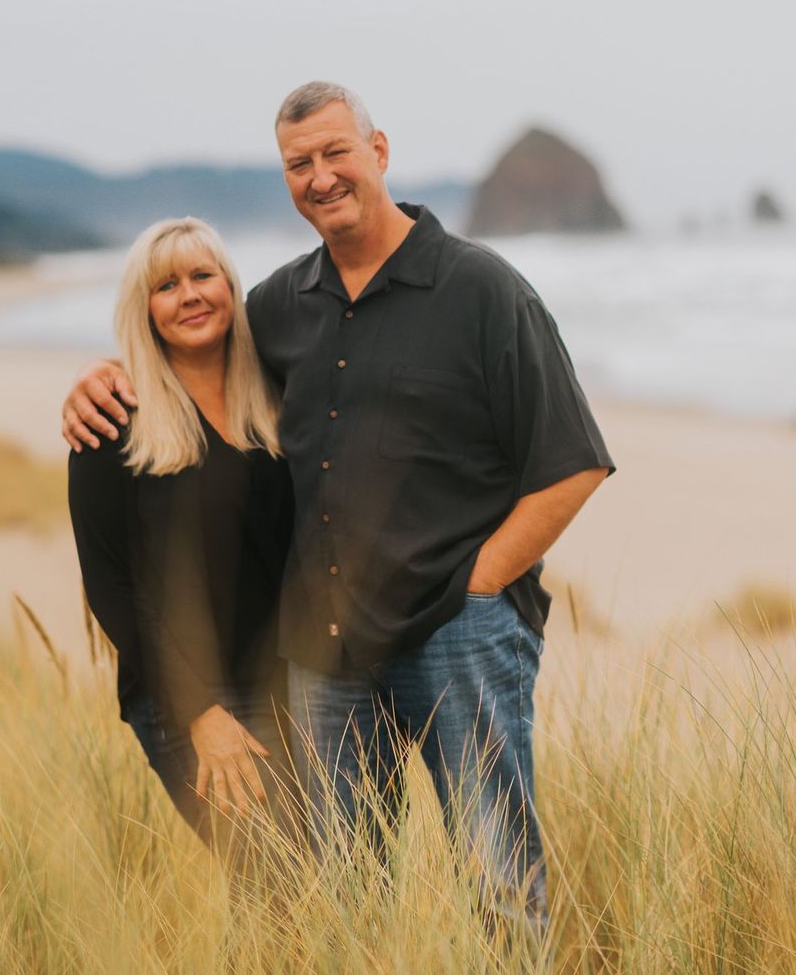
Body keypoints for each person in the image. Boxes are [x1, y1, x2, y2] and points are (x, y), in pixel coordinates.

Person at [62, 83, 613, 928]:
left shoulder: (482, 289)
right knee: (345, 892)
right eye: (298, 163)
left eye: (335, 153)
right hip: (324, 653)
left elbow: (573, 462)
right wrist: (103, 379)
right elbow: (186, 338)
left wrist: (478, 586)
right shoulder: (280, 308)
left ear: (379, 151)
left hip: (456, 633)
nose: (320, 176)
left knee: (496, 872)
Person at [67, 217, 299, 877]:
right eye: (166, 285)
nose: (190, 295)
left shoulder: (278, 396)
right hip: (183, 696)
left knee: (308, 886)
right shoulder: (113, 419)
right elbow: (110, 582)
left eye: (203, 275)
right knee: (271, 878)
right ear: (144, 309)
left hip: (286, 685)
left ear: (231, 286)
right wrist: (202, 714)